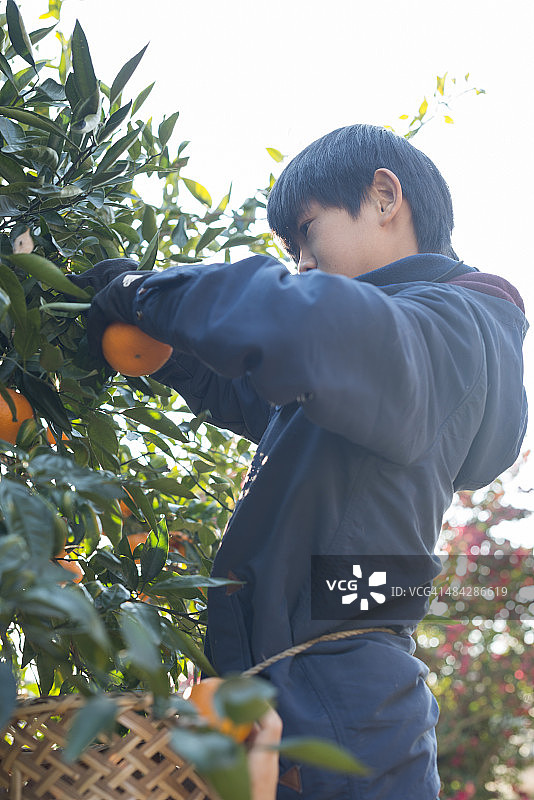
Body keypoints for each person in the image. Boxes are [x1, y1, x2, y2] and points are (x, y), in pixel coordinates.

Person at [70, 124, 528, 799]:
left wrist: (148, 292)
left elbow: (302, 325)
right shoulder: (382, 371)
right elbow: (256, 388)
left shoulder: (451, 326)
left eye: (308, 234)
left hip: (339, 701)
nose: (303, 264)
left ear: (383, 196)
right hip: (306, 690)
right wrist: (163, 348)